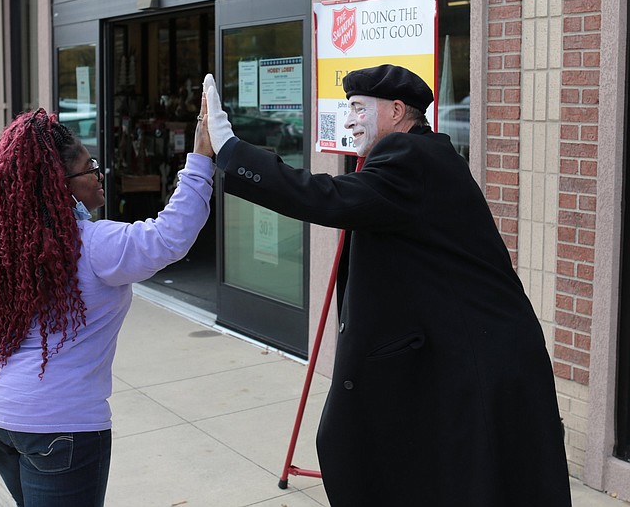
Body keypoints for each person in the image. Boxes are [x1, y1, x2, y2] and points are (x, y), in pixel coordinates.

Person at [202, 66, 571, 506]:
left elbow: (324, 197)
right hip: (471, 357)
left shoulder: (409, 158)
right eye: (347, 109)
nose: (349, 120)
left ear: (397, 111)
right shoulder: (421, 155)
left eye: (359, 108)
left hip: (479, 367)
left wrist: (231, 149)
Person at [0, 101, 215, 506]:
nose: (100, 174)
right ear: (56, 185)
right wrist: (201, 157)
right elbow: (170, 236)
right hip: (58, 428)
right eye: (89, 168)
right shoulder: (95, 245)